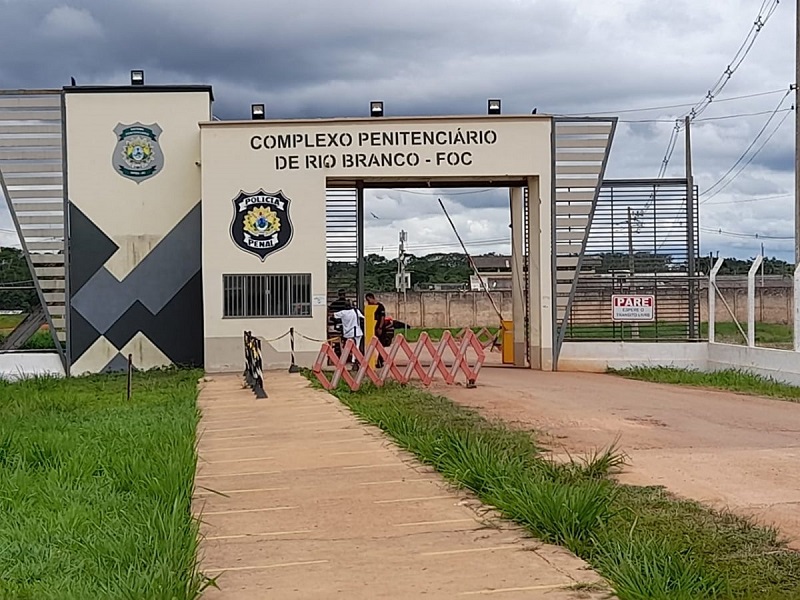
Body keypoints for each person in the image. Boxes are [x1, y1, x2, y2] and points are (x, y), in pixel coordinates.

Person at [333, 301, 363, 369]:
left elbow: (333, 316)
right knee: (357, 347)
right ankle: (354, 361)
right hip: (357, 332)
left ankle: (345, 361)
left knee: (348, 347)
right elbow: (363, 317)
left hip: (348, 333)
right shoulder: (356, 311)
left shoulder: (342, 312)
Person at [365, 292, 389, 367]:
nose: (368, 302)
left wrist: (380, 327)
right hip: (372, 328)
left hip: (379, 327)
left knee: (380, 345)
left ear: (372, 298)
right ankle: (376, 360)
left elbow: (382, 317)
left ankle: (380, 360)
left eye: (369, 300)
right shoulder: (370, 307)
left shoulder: (380, 306)